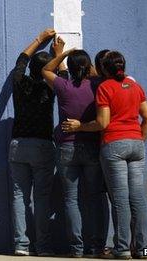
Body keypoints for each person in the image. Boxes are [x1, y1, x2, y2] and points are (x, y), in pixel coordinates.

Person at [61, 51, 147, 259]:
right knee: (137, 198)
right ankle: (142, 247)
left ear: (103, 69)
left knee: (120, 199)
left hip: (114, 145)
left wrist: (80, 126)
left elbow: (102, 123)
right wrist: (139, 139)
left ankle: (122, 248)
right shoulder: (135, 86)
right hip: (136, 144)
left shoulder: (105, 87)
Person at [42, 48, 109, 258]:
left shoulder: (63, 86)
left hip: (67, 148)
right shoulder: (98, 85)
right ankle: (98, 246)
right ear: (88, 66)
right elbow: (96, 73)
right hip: (91, 147)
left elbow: (46, 69)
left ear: (69, 68)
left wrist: (63, 54)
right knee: (96, 198)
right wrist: (85, 61)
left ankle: (77, 249)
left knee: (71, 200)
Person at [9, 28, 67, 256]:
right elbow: (63, 79)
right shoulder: (50, 88)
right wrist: (59, 55)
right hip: (43, 145)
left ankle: (21, 245)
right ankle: (43, 246)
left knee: (18, 196)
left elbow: (20, 61)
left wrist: (39, 40)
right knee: (41, 198)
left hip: (18, 145)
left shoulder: (19, 84)